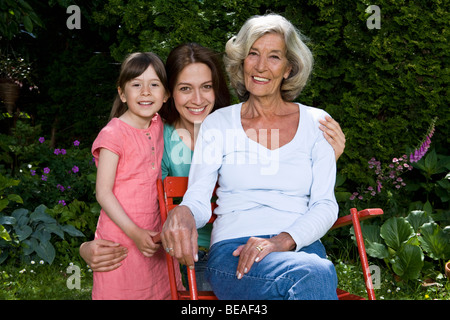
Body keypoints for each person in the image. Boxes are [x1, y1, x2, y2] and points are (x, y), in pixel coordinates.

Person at [161, 13, 339, 300]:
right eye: (253, 54)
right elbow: (198, 199)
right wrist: (182, 212)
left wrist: (282, 241)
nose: (260, 66)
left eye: (273, 57)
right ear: (242, 61)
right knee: (312, 276)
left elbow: (325, 204)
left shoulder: (317, 124)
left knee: (308, 273)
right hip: (235, 252)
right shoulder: (218, 123)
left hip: (299, 247)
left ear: (289, 68)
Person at [90, 52, 182, 299]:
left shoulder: (160, 125)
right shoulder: (113, 133)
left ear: (165, 95)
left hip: (154, 232)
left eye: (154, 85)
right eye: (136, 85)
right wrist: (134, 232)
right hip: (121, 236)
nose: (145, 92)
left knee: (160, 291)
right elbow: (103, 192)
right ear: (122, 93)